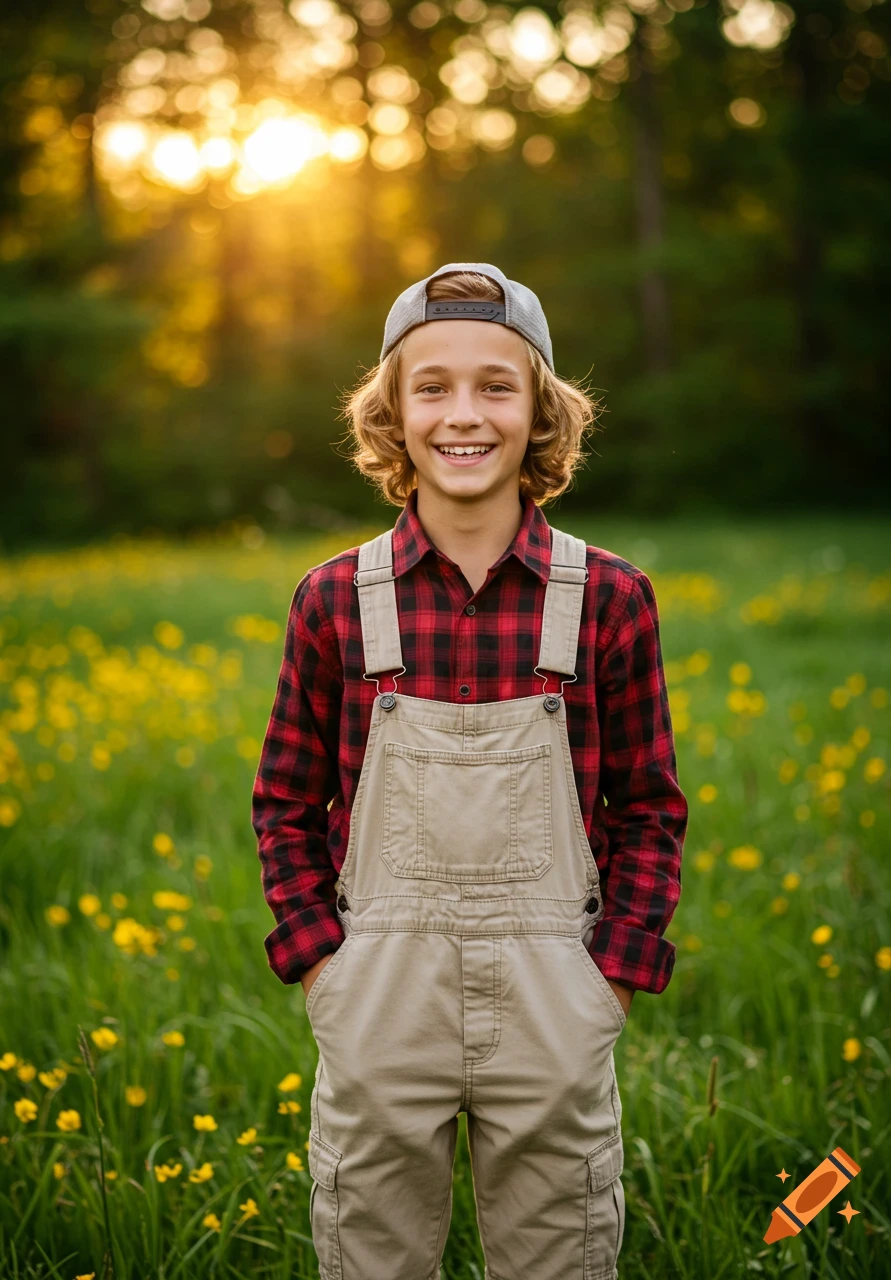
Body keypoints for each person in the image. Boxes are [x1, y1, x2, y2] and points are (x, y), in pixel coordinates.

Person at [251, 262, 688, 1279]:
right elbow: (283, 799)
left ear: (539, 410)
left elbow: (648, 807)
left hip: (554, 995)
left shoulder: (609, 597)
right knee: (370, 1254)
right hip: (377, 992)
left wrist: (611, 978)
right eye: (432, 386)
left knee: (558, 1256)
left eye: (496, 384)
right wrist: (323, 965)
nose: (464, 413)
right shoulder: (331, 599)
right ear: (391, 413)